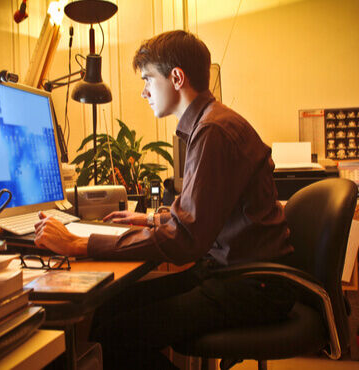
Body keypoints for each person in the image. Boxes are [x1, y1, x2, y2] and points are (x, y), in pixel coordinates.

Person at [34, 30, 295, 369]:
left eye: (147, 79)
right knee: (109, 310)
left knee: (115, 334)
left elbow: (185, 240)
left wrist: (80, 245)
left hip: (252, 286)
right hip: (237, 274)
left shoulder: (213, 131)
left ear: (176, 77)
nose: (143, 91)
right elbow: (202, 215)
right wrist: (150, 219)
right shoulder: (210, 122)